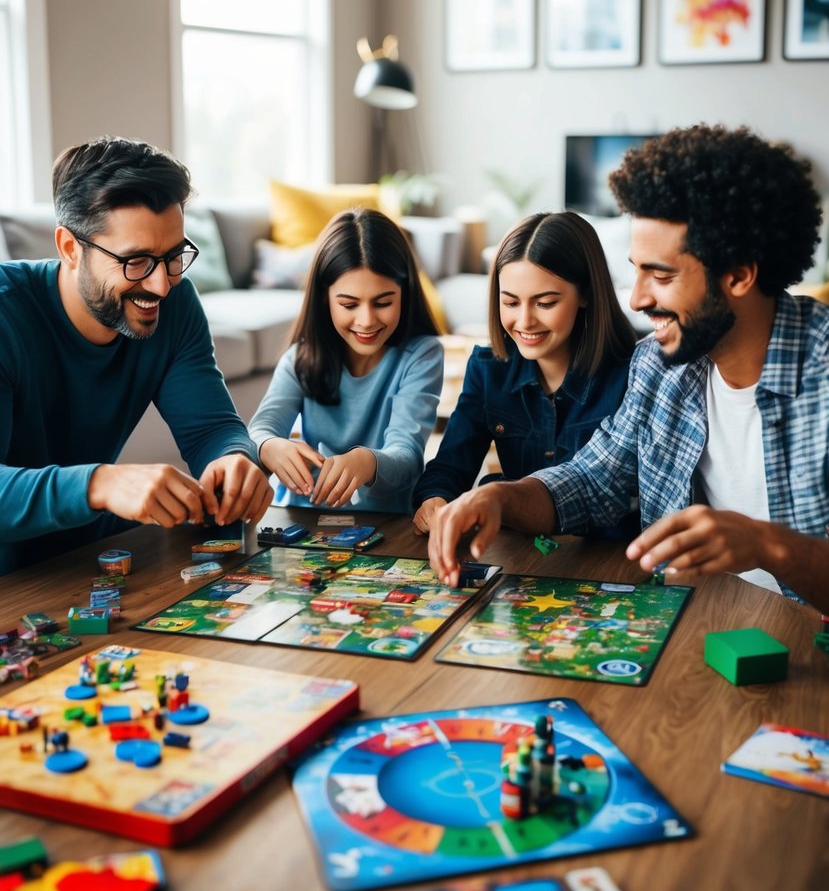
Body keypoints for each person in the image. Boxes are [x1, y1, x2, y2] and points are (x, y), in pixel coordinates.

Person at [429, 124, 829, 613]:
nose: (638, 299)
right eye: (635, 269)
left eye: (660, 275)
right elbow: (594, 480)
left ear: (740, 274)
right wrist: (500, 499)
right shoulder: (658, 365)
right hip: (684, 625)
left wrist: (770, 546)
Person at [0, 137, 273, 575]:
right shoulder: (6, 315)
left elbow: (210, 428)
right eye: (137, 261)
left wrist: (233, 458)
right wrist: (101, 482)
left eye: (173, 257)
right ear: (70, 248)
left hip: (99, 557)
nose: (162, 285)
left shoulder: (175, 304)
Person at [412, 212, 636, 535]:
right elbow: (449, 466)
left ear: (585, 293)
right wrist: (435, 498)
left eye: (544, 303)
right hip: (522, 559)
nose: (525, 321)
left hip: (604, 563)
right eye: (511, 302)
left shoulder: (632, 376)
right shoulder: (488, 370)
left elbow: (614, 501)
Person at [249, 207, 443, 513]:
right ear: (324, 298)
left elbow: (407, 457)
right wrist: (269, 446)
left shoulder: (422, 354)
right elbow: (261, 429)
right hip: (302, 519)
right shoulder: (301, 357)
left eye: (383, 302)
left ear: (404, 293)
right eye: (349, 304)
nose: (366, 320)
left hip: (387, 525)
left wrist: (366, 462)